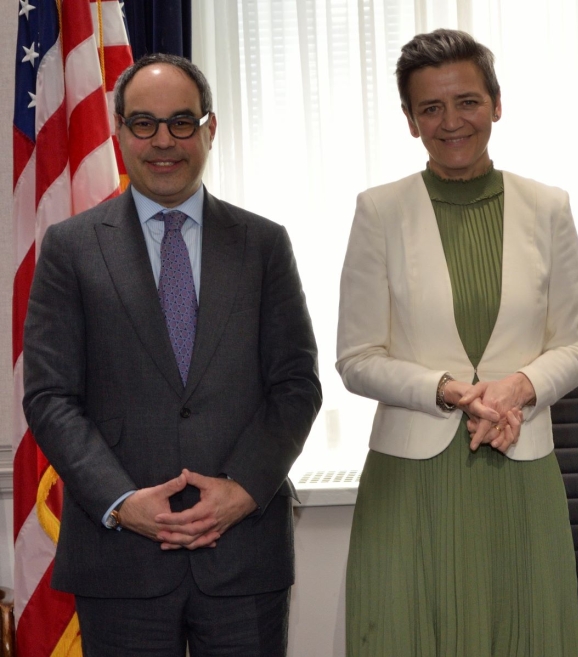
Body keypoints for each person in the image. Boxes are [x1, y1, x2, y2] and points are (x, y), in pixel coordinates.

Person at [22, 53, 321, 656]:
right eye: (144, 123)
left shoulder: (264, 244)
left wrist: (242, 489)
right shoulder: (69, 248)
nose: (164, 141)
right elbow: (51, 396)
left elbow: (295, 386)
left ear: (209, 130)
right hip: (120, 561)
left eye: (182, 122)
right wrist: (121, 501)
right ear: (118, 131)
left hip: (243, 559)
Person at [336, 28, 578, 657]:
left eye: (468, 102)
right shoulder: (379, 211)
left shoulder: (549, 207)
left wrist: (518, 389)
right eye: (430, 108)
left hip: (519, 461)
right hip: (410, 482)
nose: (451, 122)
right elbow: (356, 357)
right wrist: (446, 391)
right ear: (410, 120)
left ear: (496, 104)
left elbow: (575, 345)